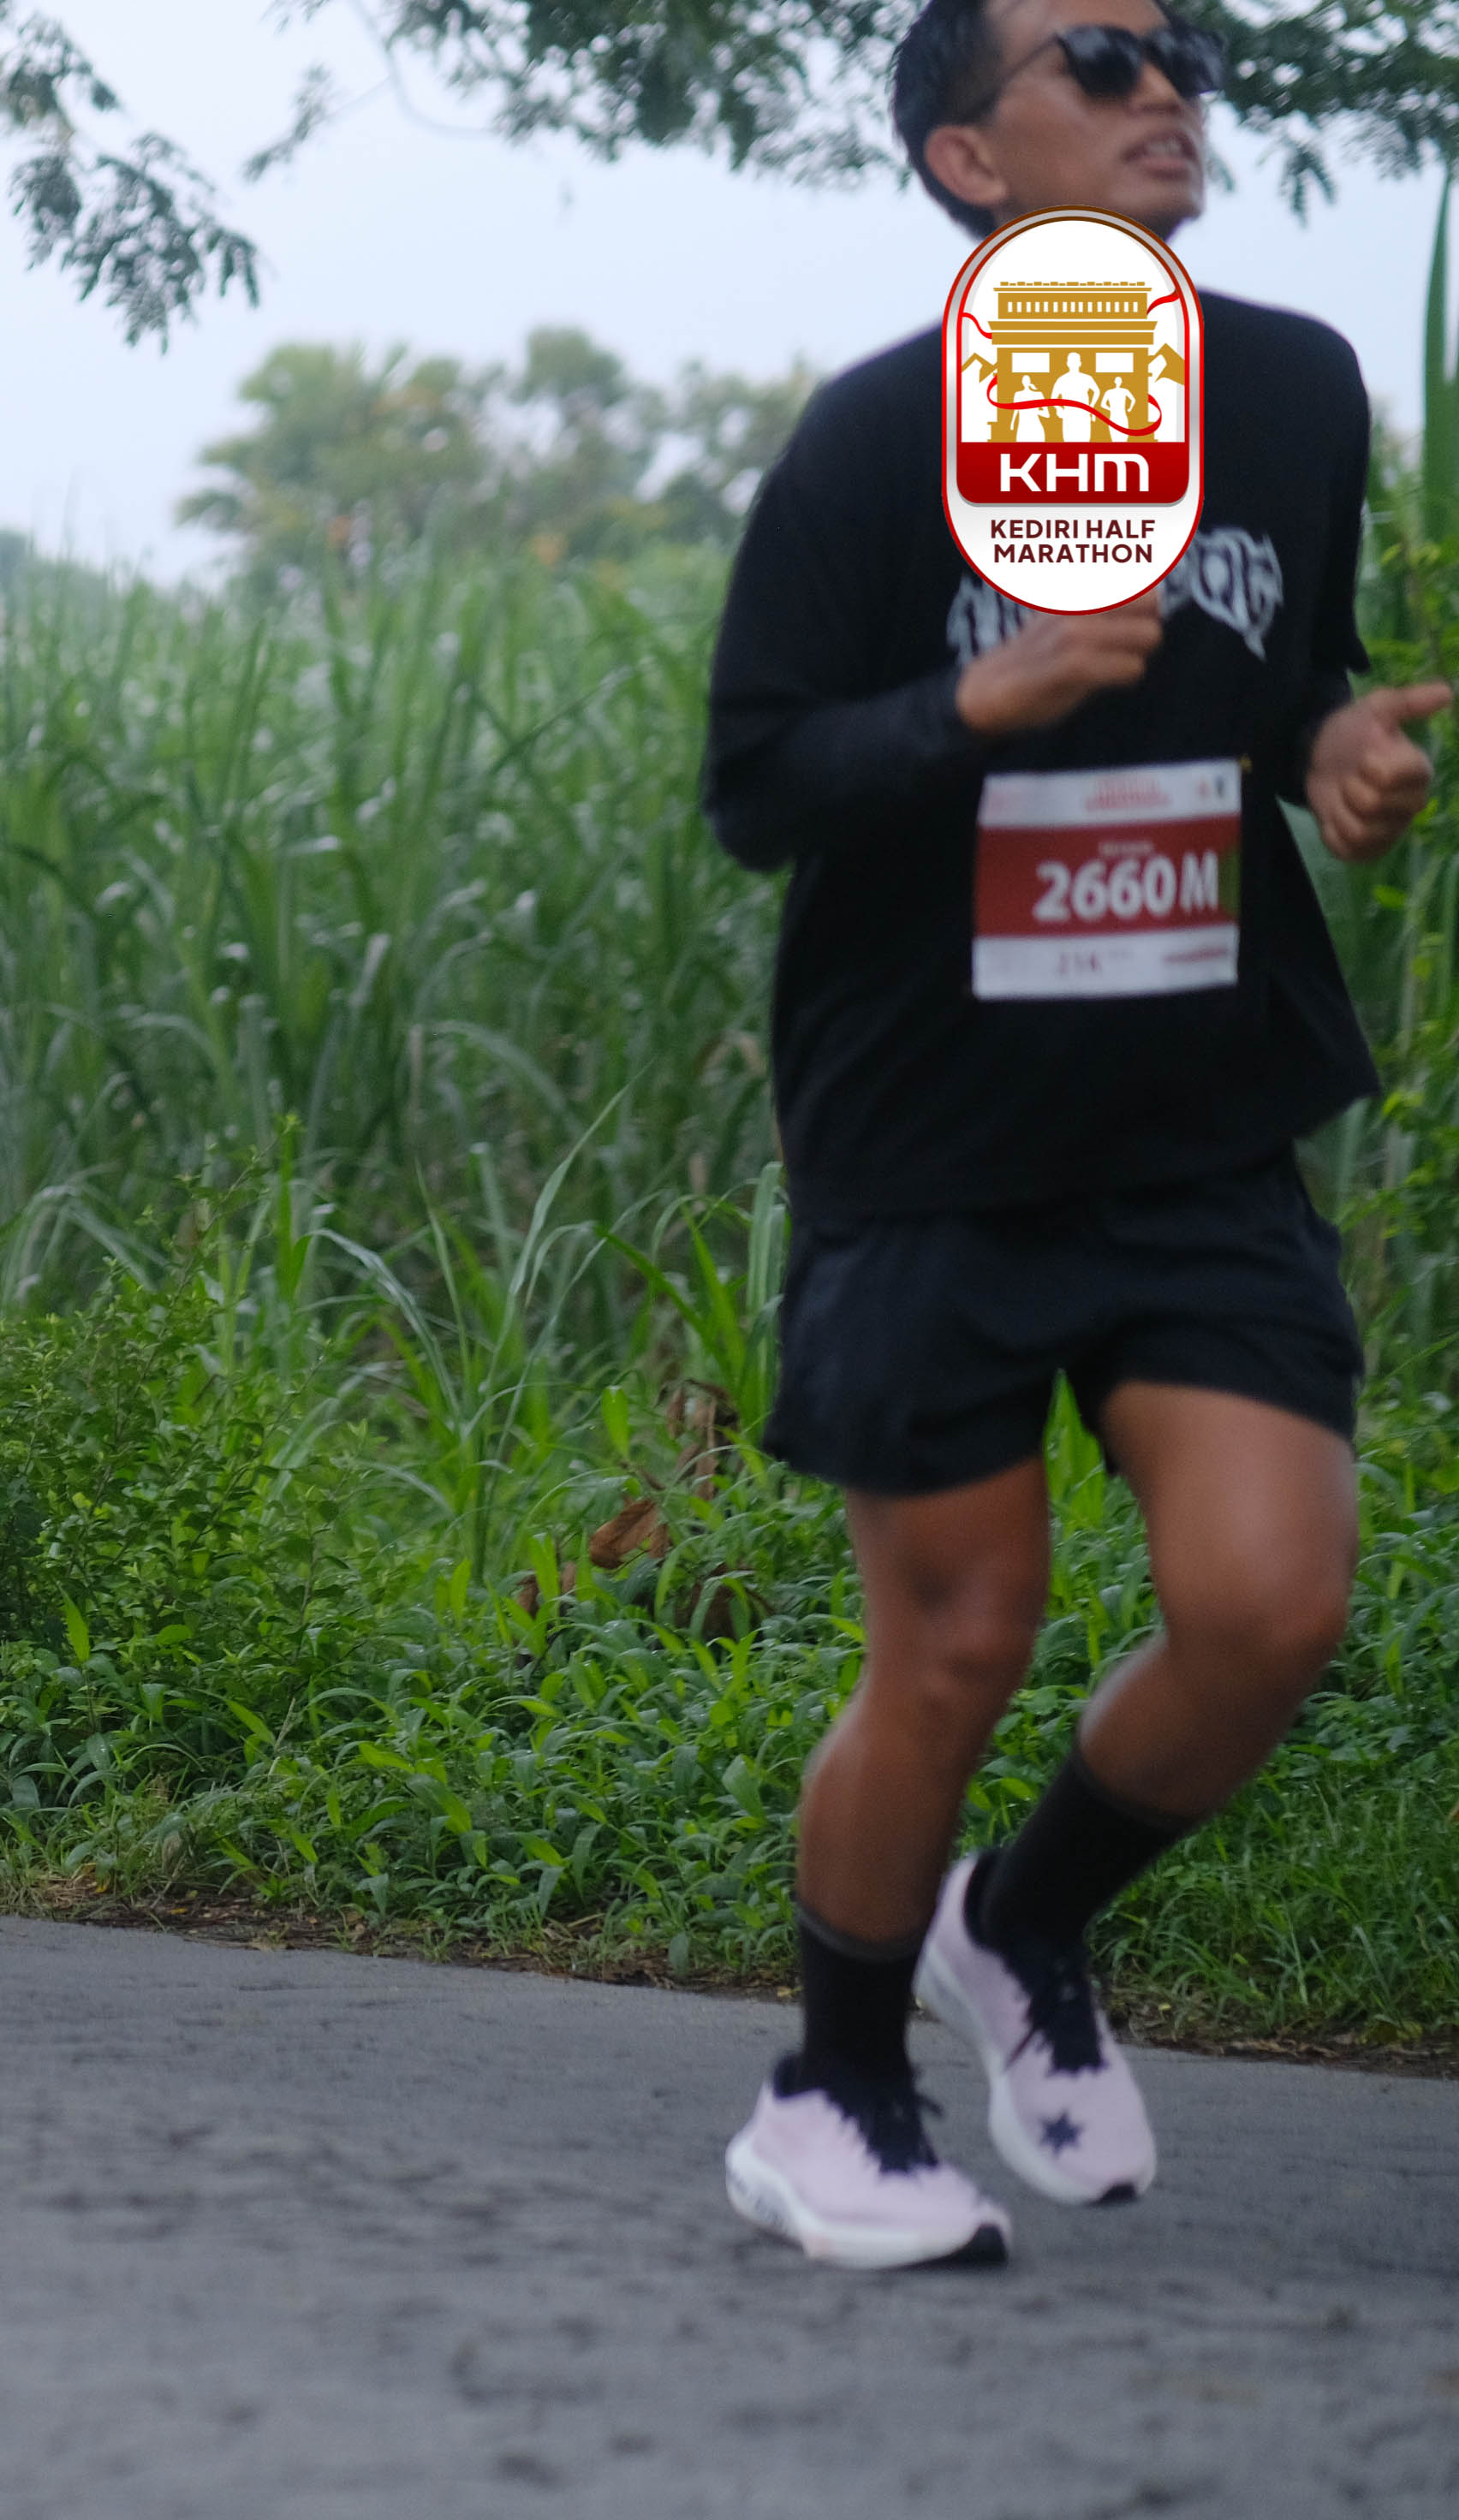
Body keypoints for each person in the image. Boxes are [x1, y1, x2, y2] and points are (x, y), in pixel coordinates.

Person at [704, 0, 1444, 2269]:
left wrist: (1329, 744)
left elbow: (1276, 673)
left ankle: (1019, 1920)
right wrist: (974, 698)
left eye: (1181, 52)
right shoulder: (875, 439)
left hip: (1195, 1115)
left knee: (1271, 1603)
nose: (1164, 91)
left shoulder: (1293, 391)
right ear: (963, 156)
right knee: (958, 1640)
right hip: (931, 1130)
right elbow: (759, 779)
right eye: (1099, 57)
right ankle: (830, 2097)